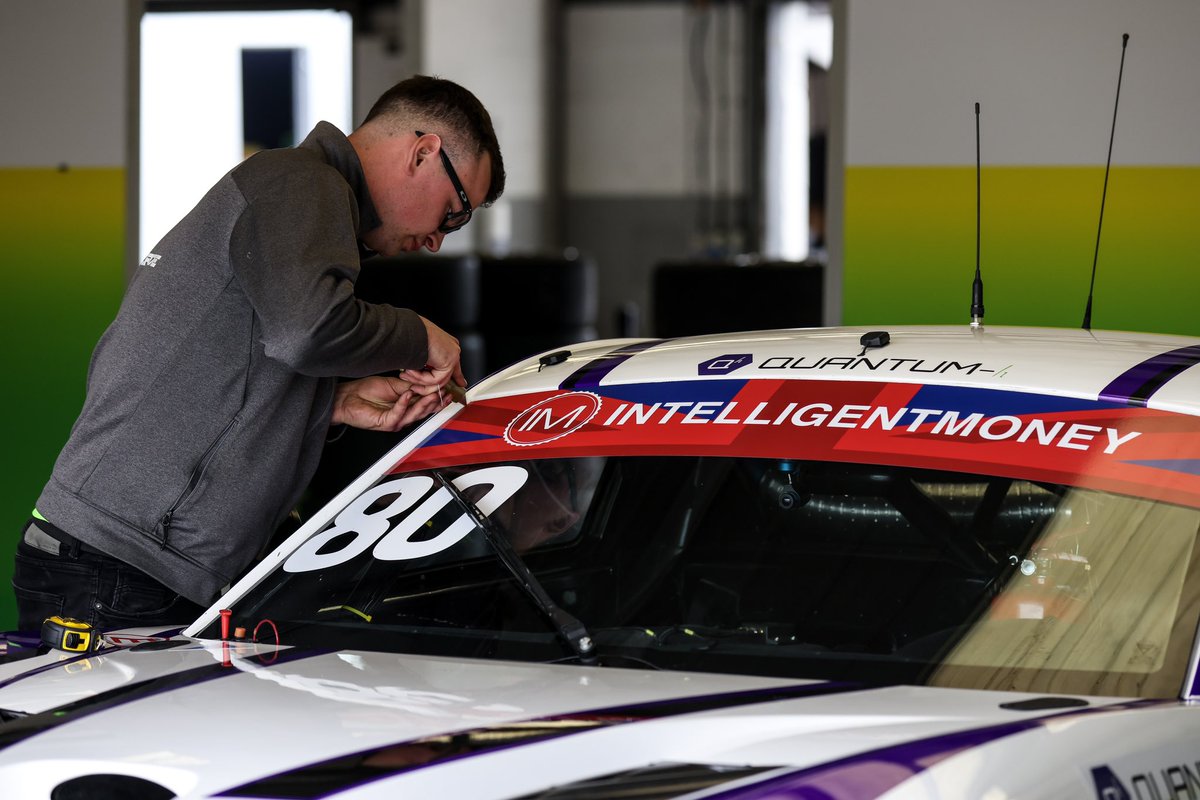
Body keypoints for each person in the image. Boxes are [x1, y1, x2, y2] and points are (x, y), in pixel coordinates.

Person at [12, 74, 506, 633]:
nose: (441, 239)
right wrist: (419, 334)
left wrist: (328, 404)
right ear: (423, 152)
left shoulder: (298, 193)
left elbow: (238, 359)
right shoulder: (305, 184)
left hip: (120, 563)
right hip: (121, 568)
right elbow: (308, 330)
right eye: (454, 212)